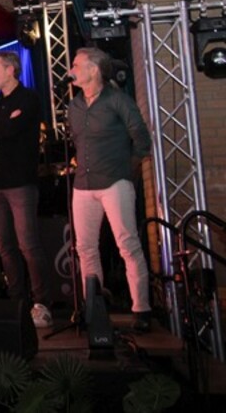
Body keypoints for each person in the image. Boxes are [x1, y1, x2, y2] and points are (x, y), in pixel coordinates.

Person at [68, 47, 153, 331]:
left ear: (94, 69)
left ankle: (141, 309)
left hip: (115, 181)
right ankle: (94, 309)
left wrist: (128, 168)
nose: (71, 70)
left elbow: (141, 138)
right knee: (85, 248)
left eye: (76, 64)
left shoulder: (117, 100)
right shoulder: (75, 106)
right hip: (83, 184)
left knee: (127, 244)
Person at [0, 51, 55, 328]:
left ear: (10, 70)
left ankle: (41, 302)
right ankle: (17, 301)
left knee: (28, 244)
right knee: (5, 247)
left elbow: (8, 131)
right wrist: (0, 125)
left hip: (20, 181)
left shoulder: (28, 99)